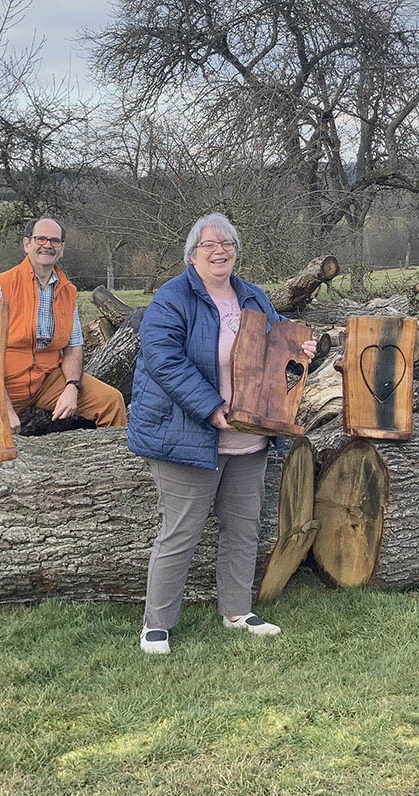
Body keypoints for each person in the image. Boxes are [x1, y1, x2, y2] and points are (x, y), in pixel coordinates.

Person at [128, 212, 316, 654]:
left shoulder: (252, 296)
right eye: (209, 244)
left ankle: (237, 611)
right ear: (192, 254)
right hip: (188, 435)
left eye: (227, 243)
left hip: (247, 437)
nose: (220, 250)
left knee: (243, 528)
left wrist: (299, 348)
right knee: (180, 531)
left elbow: (275, 350)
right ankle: (156, 624)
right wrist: (210, 408)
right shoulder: (172, 298)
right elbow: (163, 359)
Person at [0, 218, 127, 431]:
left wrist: (71, 387)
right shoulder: (0, 287)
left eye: (54, 240)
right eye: (40, 239)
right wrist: (3, 405)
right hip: (2, 383)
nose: (47, 245)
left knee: (111, 401)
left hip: (46, 380)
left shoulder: (68, 291)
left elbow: (73, 347)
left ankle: (115, 463)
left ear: (62, 248)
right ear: (27, 244)